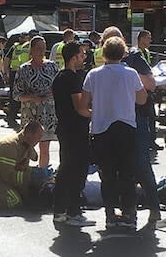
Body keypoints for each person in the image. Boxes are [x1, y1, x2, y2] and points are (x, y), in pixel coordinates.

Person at [79, 36, 147, 230]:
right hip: (126, 128)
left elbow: (83, 105)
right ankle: (129, 214)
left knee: (107, 175)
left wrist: (98, 112)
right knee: (127, 174)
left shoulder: (93, 75)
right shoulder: (131, 74)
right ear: (124, 53)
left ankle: (110, 214)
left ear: (103, 52)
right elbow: (142, 100)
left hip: (101, 130)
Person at [52, 41, 96, 227]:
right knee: (76, 171)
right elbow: (81, 108)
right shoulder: (72, 78)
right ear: (73, 57)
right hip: (75, 130)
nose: (84, 57)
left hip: (65, 129)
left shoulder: (60, 77)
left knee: (65, 169)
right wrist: (100, 113)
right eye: (81, 54)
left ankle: (60, 210)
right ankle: (73, 212)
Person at [124, 28, 161, 223]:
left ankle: (150, 207)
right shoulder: (133, 60)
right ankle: (129, 210)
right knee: (128, 167)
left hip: (134, 119)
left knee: (139, 164)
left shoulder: (136, 57)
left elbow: (149, 86)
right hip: (124, 120)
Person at [13, 36, 59, 168]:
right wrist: (33, 97)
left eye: (43, 48)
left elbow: (59, 88)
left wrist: (52, 93)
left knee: (45, 148)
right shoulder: (24, 69)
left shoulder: (52, 66)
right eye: (38, 48)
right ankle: (23, 175)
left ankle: (43, 175)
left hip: (47, 114)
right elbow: (16, 95)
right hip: (30, 115)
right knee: (26, 149)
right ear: (31, 50)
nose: (41, 51)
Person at [137, 29, 163, 151]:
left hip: (149, 88)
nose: (150, 40)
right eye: (148, 38)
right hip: (141, 89)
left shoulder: (146, 52)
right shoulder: (136, 53)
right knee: (144, 116)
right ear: (141, 39)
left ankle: (151, 140)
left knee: (151, 116)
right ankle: (146, 140)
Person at [3, 32, 30, 128]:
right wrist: (5, 72)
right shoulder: (16, 47)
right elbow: (7, 59)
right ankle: (11, 117)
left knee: (18, 96)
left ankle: (12, 117)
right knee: (15, 96)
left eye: (24, 37)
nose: (22, 39)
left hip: (22, 72)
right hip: (16, 72)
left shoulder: (27, 46)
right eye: (21, 37)